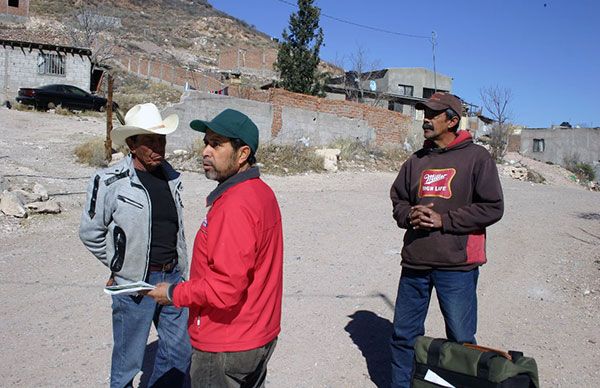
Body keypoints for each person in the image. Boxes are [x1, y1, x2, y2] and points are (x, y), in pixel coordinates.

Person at [147, 109, 284, 388]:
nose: (206, 152)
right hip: (257, 335)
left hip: (226, 344)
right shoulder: (261, 192)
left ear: (243, 153)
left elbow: (225, 289)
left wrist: (173, 292)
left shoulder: (235, 204)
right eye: (206, 142)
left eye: (217, 144)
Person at [389, 92, 504, 387]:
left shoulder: (477, 157)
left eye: (433, 114)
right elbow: (398, 199)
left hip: (457, 267)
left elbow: (492, 207)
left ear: (452, 120)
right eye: (424, 112)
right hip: (415, 263)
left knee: (461, 340)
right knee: (404, 336)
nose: (425, 119)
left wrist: (445, 220)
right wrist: (408, 215)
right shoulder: (416, 160)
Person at [79, 103, 191, 388]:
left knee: (179, 353)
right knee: (127, 365)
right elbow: (91, 232)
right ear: (132, 144)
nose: (158, 147)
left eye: (161, 139)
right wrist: (121, 264)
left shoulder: (172, 177)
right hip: (134, 285)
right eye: (149, 141)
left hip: (173, 278)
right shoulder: (110, 180)